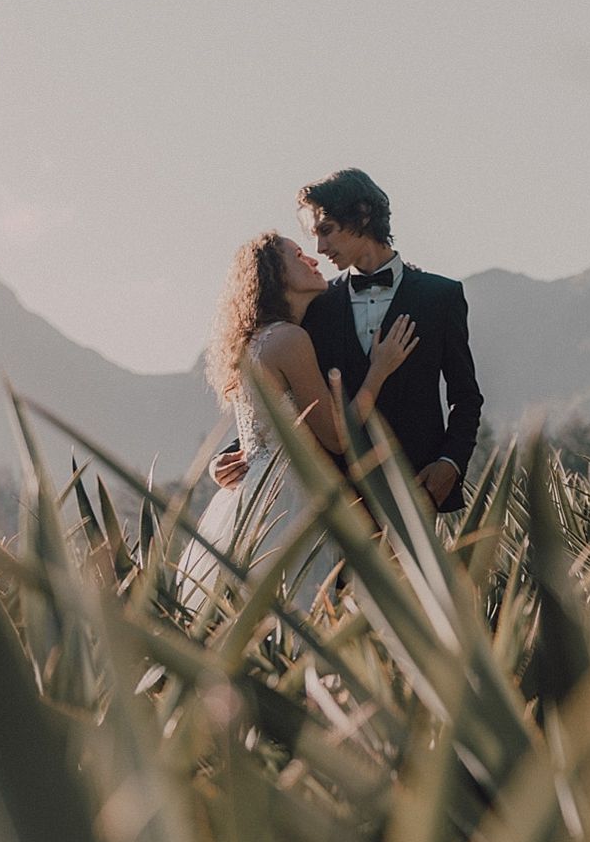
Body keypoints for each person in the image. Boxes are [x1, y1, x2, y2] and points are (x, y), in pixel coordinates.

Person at [182, 231, 418, 607]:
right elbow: (338, 437)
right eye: (298, 255)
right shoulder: (289, 340)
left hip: (250, 495)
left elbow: (259, 436)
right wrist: (380, 369)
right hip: (291, 499)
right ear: (275, 275)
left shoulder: (254, 342)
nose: (313, 259)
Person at [290, 166, 482, 512]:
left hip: (418, 491)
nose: (320, 248)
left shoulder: (441, 296)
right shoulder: (317, 306)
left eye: (327, 231)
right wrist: (236, 450)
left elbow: (466, 397)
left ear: (362, 216)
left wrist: (450, 463)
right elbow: (291, 393)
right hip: (339, 503)